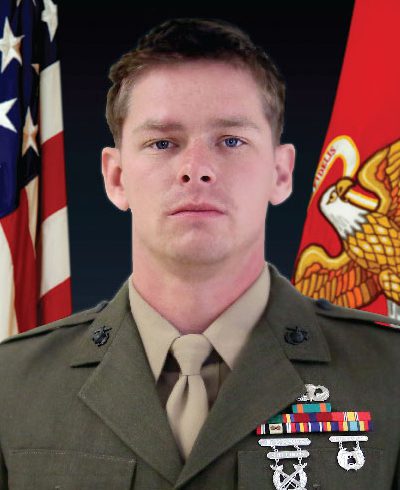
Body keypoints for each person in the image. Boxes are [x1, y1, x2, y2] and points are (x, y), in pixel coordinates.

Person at [0, 17, 399, 490]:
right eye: (162, 142)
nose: (196, 169)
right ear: (116, 177)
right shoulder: (13, 385)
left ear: (281, 173)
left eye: (231, 140)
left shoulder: (389, 376)